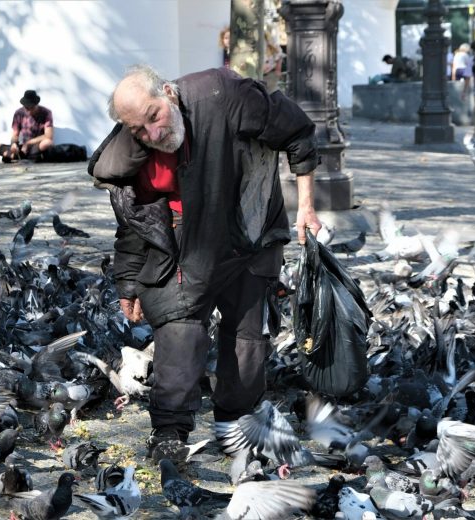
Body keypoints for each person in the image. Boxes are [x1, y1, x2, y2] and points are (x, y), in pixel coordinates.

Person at [88, 65, 321, 456]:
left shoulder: (225, 95)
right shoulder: (135, 154)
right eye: (139, 130)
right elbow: (134, 223)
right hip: (184, 242)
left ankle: (235, 425)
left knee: (247, 338)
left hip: (247, 231)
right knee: (178, 331)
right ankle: (170, 434)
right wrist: (128, 281)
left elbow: (297, 131)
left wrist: (307, 207)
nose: (154, 134)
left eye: (154, 117)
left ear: (168, 93)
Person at [0, 89, 86, 163]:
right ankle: (17, 155)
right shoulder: (19, 113)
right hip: (22, 147)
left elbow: (49, 136)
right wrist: (14, 144)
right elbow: (15, 134)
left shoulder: (46, 113)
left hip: (36, 145)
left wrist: (28, 143)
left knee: (47, 143)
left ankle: (15, 156)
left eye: (31, 107)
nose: (29, 110)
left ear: (36, 104)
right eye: (26, 107)